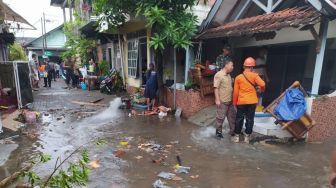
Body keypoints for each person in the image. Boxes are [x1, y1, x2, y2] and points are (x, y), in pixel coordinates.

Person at [232, 57, 265, 143]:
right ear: (252, 67)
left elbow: (235, 92)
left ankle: (236, 137)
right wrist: (262, 90)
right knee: (250, 119)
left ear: (244, 66)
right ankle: (247, 137)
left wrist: (235, 103)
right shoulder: (255, 76)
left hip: (241, 102)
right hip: (252, 102)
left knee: (239, 118)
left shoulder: (238, 77)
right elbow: (263, 84)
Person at [213, 58, 236, 138]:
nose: (233, 67)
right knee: (220, 118)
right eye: (231, 65)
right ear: (226, 65)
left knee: (232, 117)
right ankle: (218, 133)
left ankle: (233, 132)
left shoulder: (229, 75)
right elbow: (216, 88)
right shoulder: (219, 75)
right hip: (222, 101)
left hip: (230, 101)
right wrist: (217, 100)